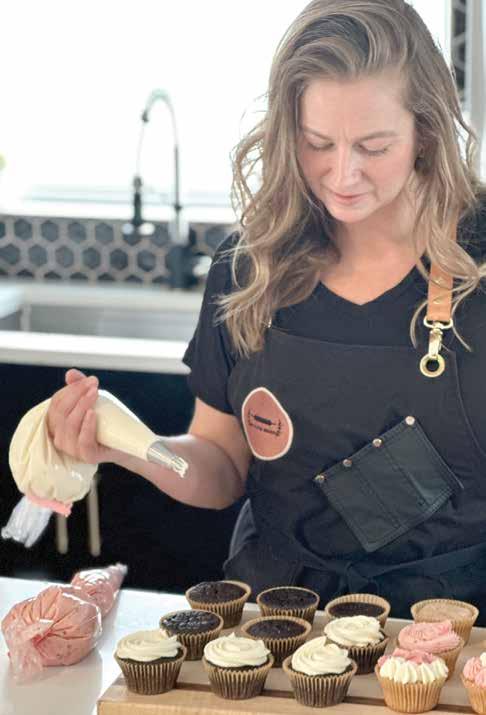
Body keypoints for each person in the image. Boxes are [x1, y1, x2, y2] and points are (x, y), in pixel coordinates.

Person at [46, 0, 486, 621]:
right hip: (276, 621)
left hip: (451, 628)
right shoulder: (250, 267)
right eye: (317, 143)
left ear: (426, 133)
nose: (343, 174)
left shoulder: (477, 259)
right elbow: (223, 464)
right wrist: (127, 446)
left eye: (374, 146)